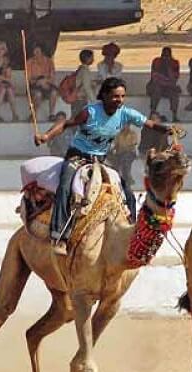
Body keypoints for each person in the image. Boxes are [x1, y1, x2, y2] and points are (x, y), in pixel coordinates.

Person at [34, 77, 176, 255]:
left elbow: (150, 123)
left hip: (100, 160)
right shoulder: (90, 112)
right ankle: (59, 236)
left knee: (127, 192)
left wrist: (168, 129)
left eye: (123, 96)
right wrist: (46, 136)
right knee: (65, 188)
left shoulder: (125, 113)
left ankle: (132, 233)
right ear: (105, 96)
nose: (120, 100)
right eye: (116, 96)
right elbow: (66, 124)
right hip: (78, 156)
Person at [148, 47, 181, 122]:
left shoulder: (175, 63)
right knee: (156, 88)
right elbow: (155, 78)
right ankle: (152, 112)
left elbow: (174, 79)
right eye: (164, 55)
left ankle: (174, 115)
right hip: (156, 85)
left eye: (167, 56)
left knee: (175, 92)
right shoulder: (156, 61)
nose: (165, 58)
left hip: (168, 87)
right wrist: (167, 82)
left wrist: (168, 68)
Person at [26, 44, 58, 121]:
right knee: (38, 94)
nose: (36, 53)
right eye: (35, 51)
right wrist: (38, 82)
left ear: (42, 52)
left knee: (54, 92)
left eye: (38, 51)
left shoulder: (49, 61)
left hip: (47, 83)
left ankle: (52, 114)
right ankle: (33, 115)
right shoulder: (29, 62)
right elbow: (29, 79)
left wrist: (45, 81)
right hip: (35, 84)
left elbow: (52, 77)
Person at [73, 50, 97, 116]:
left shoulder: (81, 69)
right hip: (80, 99)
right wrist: (94, 101)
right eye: (92, 58)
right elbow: (87, 87)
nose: (93, 59)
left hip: (78, 98)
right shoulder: (85, 71)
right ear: (87, 59)